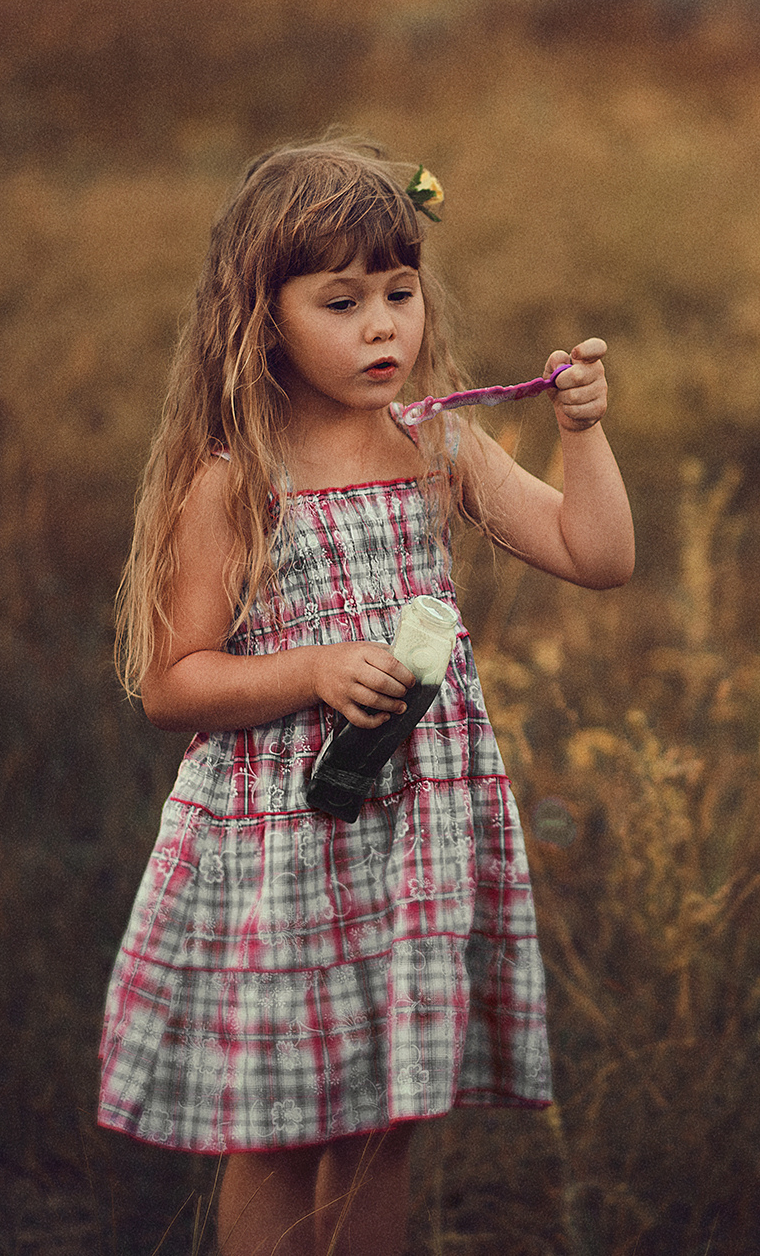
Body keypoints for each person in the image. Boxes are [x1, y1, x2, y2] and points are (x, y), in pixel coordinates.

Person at [98, 138, 633, 1256]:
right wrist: (309, 670)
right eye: (341, 302)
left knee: (385, 1118)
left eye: (399, 292)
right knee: (282, 1128)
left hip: (413, 833)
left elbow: (596, 554)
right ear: (263, 314)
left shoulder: (435, 441)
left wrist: (581, 433)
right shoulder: (235, 476)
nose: (384, 325)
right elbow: (168, 680)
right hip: (283, 845)